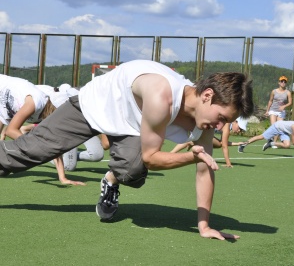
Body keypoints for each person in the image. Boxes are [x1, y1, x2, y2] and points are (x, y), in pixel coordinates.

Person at [0, 60, 254, 240]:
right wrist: (190, 155)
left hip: (131, 124)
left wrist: (204, 225)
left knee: (132, 172)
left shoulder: (205, 122)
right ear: (207, 95)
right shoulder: (162, 95)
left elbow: (204, 170)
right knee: (23, 154)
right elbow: (153, 159)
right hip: (93, 107)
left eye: (226, 122)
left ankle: (111, 179)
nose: (221, 126)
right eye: (221, 117)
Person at [0, 74, 84, 186]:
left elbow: (51, 146)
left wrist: (63, 178)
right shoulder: (35, 102)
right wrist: (34, 146)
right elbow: (11, 130)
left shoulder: (46, 117)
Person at [172, 117, 248, 167]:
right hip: (201, 126)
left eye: (241, 130)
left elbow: (222, 143)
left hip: (204, 128)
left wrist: (237, 144)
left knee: (218, 144)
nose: (239, 131)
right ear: (236, 122)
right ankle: (172, 153)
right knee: (191, 140)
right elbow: (224, 145)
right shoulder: (227, 126)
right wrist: (228, 163)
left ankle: (191, 143)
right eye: (239, 128)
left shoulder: (228, 124)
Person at [264, 75, 292, 147]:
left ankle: (274, 142)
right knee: (274, 126)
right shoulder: (274, 91)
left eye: (284, 81)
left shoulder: (288, 92)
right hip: (273, 110)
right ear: (279, 82)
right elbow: (270, 101)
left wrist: (284, 106)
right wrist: (267, 110)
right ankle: (271, 138)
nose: (283, 82)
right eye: (281, 81)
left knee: (279, 127)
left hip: (281, 112)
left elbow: (290, 102)